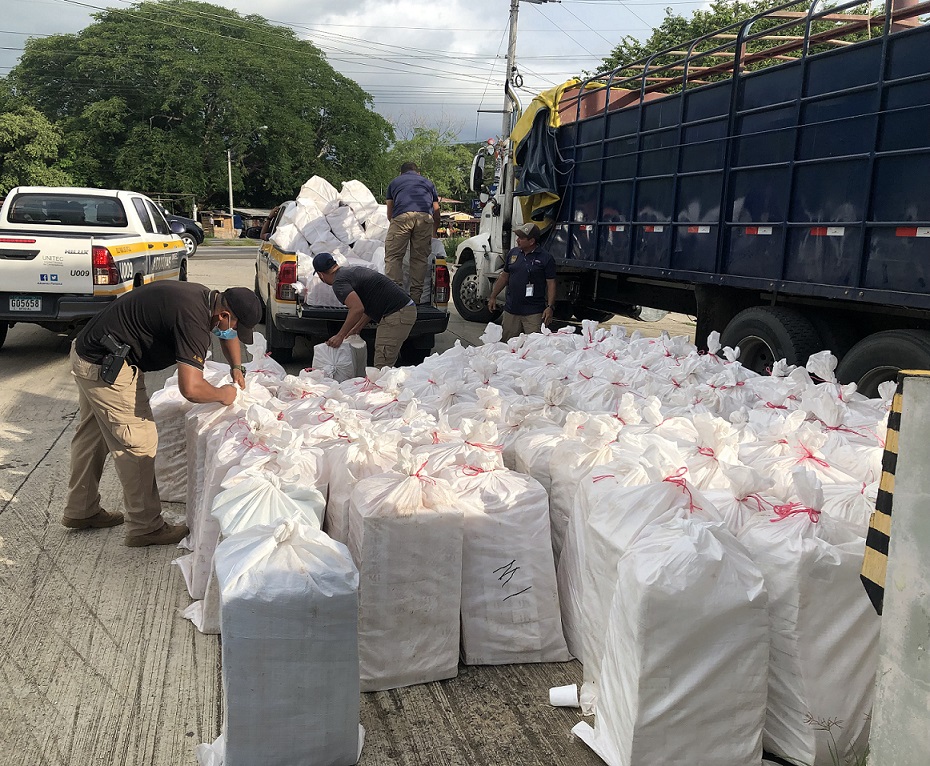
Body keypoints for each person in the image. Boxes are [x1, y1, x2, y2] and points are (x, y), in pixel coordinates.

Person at [61, 282, 263, 547]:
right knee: (139, 444)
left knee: (93, 436)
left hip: (90, 352)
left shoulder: (204, 299)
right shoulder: (193, 321)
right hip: (107, 367)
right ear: (224, 315)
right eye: (235, 325)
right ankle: (145, 527)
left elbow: (228, 336)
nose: (233, 332)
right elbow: (190, 388)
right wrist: (223, 394)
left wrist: (237, 367)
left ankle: (81, 509)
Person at [313, 253, 416, 368]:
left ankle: (384, 385)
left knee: (382, 366)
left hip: (397, 313)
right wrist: (357, 328)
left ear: (320, 274)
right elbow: (369, 304)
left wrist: (340, 336)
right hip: (404, 310)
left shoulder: (339, 283)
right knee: (385, 364)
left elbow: (357, 309)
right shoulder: (349, 272)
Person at [487, 222, 557, 341]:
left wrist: (550, 307)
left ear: (531, 241)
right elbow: (504, 277)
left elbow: (551, 284)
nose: (517, 240)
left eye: (521, 238)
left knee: (533, 347)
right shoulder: (513, 253)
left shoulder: (546, 258)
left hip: (533, 312)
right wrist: (493, 296)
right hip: (511, 310)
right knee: (507, 345)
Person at [384, 162, 441, 304]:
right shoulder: (428, 183)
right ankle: (415, 299)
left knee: (394, 256)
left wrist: (396, 226)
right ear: (418, 173)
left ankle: (396, 297)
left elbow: (390, 212)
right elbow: (436, 210)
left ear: (401, 173)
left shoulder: (394, 182)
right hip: (425, 218)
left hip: (402, 217)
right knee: (419, 259)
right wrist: (434, 232)